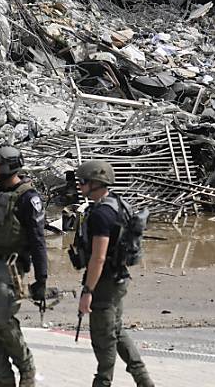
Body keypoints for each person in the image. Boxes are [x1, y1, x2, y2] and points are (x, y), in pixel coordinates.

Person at [72, 161, 154, 387]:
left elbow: (98, 257)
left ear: (96, 183)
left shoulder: (101, 214)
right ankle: (144, 380)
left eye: (83, 182)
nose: (79, 186)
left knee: (103, 338)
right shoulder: (120, 204)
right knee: (116, 331)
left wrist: (87, 291)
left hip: (105, 282)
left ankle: (103, 382)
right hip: (119, 277)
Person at [0, 145, 48, 387]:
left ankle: (27, 371)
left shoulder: (28, 198)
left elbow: (38, 241)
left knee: (4, 323)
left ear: (10, 166)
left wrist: (41, 278)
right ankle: (3, 377)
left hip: (10, 268)